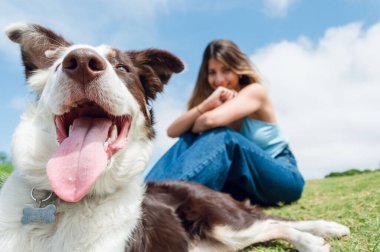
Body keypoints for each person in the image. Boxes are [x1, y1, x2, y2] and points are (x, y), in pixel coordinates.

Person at [145, 39, 304, 206]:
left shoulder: (255, 91)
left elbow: (209, 120)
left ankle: (158, 200)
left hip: (282, 176)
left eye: (226, 70)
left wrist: (201, 120)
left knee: (225, 137)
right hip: (242, 187)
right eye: (212, 72)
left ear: (238, 70)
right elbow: (172, 131)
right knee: (189, 137)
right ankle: (144, 194)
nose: (219, 79)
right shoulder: (215, 103)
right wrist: (206, 104)